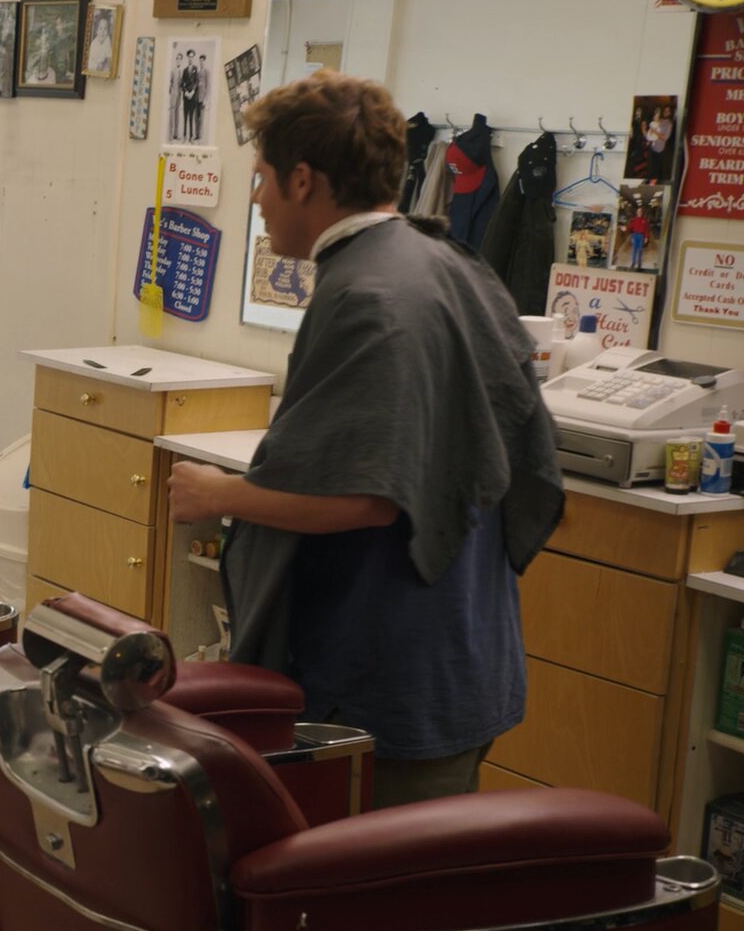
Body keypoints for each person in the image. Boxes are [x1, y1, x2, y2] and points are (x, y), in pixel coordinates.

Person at [168, 71, 564, 810]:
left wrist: (218, 493)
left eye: (261, 180)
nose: (255, 202)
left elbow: (366, 498)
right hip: (465, 650)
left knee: (367, 874)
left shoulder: (369, 296)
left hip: (387, 682)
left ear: (302, 180)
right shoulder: (448, 262)